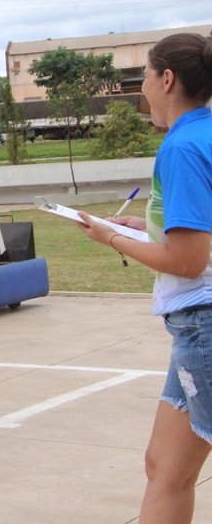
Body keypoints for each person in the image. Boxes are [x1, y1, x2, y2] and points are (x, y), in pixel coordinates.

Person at [76, 32, 212, 524]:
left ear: (167, 79)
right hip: (195, 329)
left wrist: (111, 239)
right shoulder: (205, 134)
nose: (142, 89)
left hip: (204, 323)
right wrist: (144, 226)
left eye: (145, 77)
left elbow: (189, 260)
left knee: (170, 471)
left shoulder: (181, 148)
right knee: (164, 466)